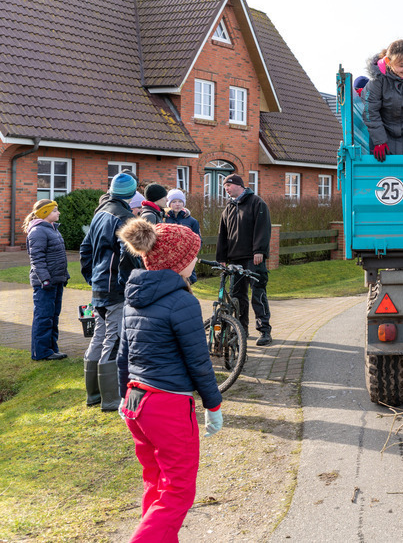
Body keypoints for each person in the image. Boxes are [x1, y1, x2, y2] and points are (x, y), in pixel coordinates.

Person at [116, 218, 223, 542]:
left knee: (156, 481)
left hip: (137, 402)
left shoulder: (134, 296)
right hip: (168, 405)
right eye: (192, 255)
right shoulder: (182, 302)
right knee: (178, 491)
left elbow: (123, 355)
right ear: (179, 261)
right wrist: (214, 405)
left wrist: (124, 395)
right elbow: (199, 362)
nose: (196, 260)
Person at [80, 171, 138, 410]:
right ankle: (111, 400)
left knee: (99, 337)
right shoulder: (124, 217)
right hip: (114, 287)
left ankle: (93, 395)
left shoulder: (99, 213)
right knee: (113, 340)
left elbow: (85, 249)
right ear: (132, 194)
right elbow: (128, 256)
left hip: (99, 285)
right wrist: (127, 283)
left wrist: (91, 278)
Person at [216, 174, 273, 346]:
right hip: (234, 259)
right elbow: (222, 235)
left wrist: (259, 251)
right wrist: (222, 258)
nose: (226, 188)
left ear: (239, 185)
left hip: (253, 258)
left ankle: (264, 331)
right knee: (237, 296)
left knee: (258, 293)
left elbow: (263, 228)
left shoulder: (256, 203)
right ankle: (242, 330)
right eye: (224, 186)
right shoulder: (228, 208)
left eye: (228, 185)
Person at [362, 39, 403, 164]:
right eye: (401, 65)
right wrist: (379, 141)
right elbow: (370, 111)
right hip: (383, 133)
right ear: (388, 62)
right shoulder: (377, 80)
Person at [25, 199, 70, 361]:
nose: (58, 213)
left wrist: (64, 276)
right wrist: (44, 280)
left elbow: (59, 257)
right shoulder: (38, 231)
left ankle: (51, 349)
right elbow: (37, 259)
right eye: (55, 211)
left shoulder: (52, 229)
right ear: (45, 213)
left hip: (56, 280)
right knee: (43, 317)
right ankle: (41, 352)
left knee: (53, 315)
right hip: (45, 284)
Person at [165, 188, 201, 283]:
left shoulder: (192, 221)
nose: (177, 204)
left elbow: (198, 240)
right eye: (174, 201)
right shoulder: (164, 220)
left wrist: (191, 255)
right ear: (169, 204)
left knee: (187, 282)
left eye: (180, 201)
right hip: (168, 258)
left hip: (186, 258)